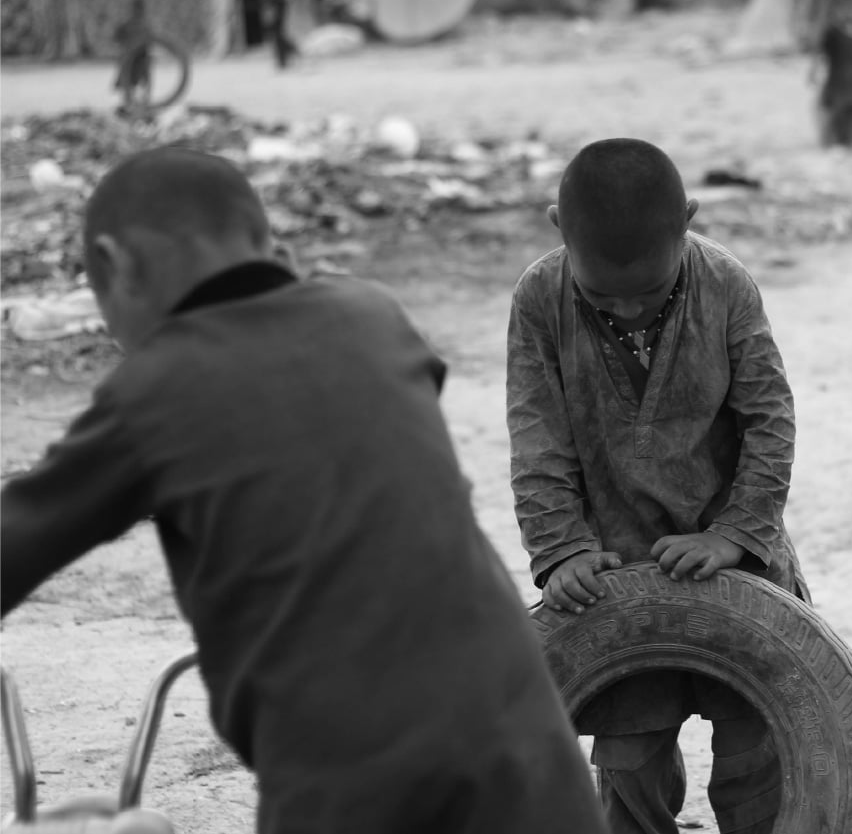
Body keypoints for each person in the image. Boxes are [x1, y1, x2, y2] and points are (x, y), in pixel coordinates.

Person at [0, 147, 606, 834]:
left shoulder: (155, 389)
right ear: (272, 244)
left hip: (357, 787)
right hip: (530, 761)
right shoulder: (371, 316)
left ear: (115, 264)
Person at [507, 138, 806, 834]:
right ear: (559, 228)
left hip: (734, 556)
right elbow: (536, 437)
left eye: (648, 287)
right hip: (612, 564)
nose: (631, 308)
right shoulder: (538, 300)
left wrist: (734, 533)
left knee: (754, 736)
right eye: (604, 292)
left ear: (689, 222)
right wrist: (560, 551)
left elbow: (769, 417)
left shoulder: (725, 284)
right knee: (629, 752)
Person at [112, 0, 153, 112]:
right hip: (129, 58)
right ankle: (128, 103)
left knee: (145, 80)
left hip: (142, 57)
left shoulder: (146, 25)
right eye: (135, 9)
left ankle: (145, 103)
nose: (137, 12)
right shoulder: (127, 25)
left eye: (140, 9)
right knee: (128, 81)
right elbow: (117, 38)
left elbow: (151, 40)